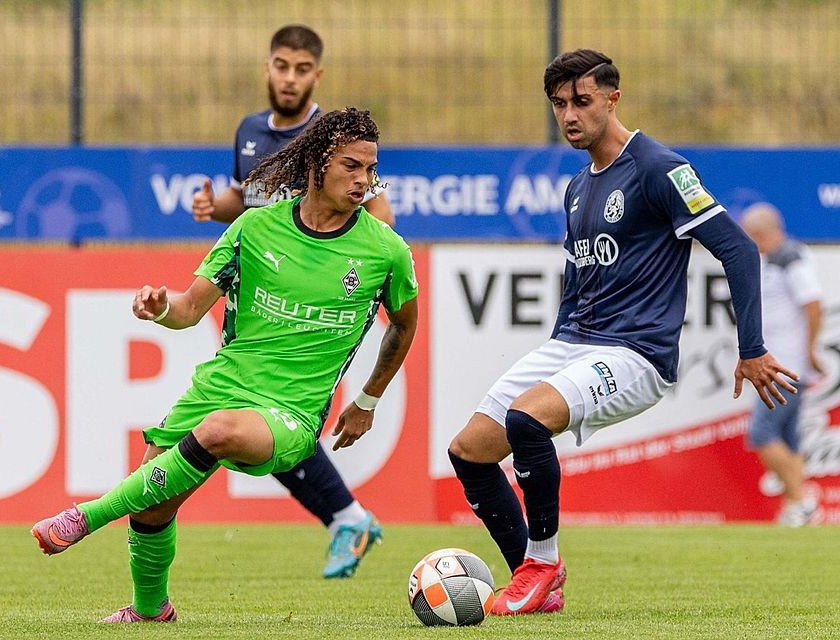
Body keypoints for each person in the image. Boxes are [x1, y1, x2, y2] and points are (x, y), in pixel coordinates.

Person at [446, 48, 799, 616]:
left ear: (613, 98)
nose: (569, 115)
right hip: (574, 342)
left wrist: (751, 347)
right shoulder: (578, 187)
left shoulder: (661, 168)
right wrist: (560, 339)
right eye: (559, 104)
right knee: (469, 451)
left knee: (525, 419)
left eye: (581, 101)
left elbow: (737, 249)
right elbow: (576, 275)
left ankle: (542, 562)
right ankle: (534, 581)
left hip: (637, 354)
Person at [32, 108, 418, 623]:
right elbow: (189, 308)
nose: (364, 181)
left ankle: (86, 515)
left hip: (291, 413)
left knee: (216, 432)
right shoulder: (253, 228)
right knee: (152, 500)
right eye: (352, 166)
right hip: (221, 384)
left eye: (371, 169)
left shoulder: (385, 249)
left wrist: (367, 401)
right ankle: (151, 611)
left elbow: (404, 324)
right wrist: (158, 306)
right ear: (316, 163)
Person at [191, 24, 394, 579]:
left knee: (271, 412)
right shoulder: (250, 132)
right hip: (253, 295)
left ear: (317, 76)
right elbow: (249, 198)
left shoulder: (333, 139)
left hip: (306, 300)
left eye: (302, 69)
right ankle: (348, 517)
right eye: (282, 65)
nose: (289, 78)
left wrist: (360, 274)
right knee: (258, 422)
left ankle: (347, 518)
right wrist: (216, 207)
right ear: (267, 67)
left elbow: (379, 219)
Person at [740, 202, 824, 527]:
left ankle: (802, 501)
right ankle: (797, 506)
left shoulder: (790, 257)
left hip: (785, 366)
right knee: (788, 438)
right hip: (782, 364)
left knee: (762, 432)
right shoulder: (776, 259)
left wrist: (810, 351)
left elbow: (813, 303)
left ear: (760, 233)